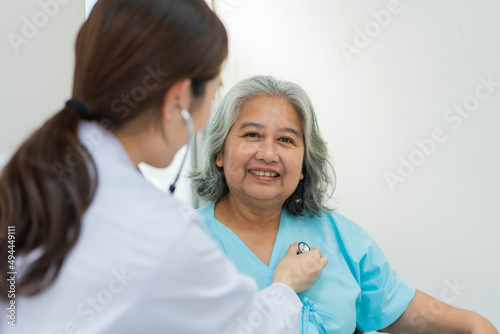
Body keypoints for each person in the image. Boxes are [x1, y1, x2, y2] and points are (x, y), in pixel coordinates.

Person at [0, 2, 328, 333]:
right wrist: (285, 286)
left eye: (286, 141)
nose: (268, 153)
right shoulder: (162, 232)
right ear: (179, 101)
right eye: (215, 92)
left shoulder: (14, 168)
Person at [191, 75, 499, 334]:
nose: (268, 154)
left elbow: (398, 307)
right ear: (219, 152)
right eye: (252, 134)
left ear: (303, 167)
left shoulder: (340, 237)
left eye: (286, 140)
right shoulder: (185, 241)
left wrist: (474, 324)